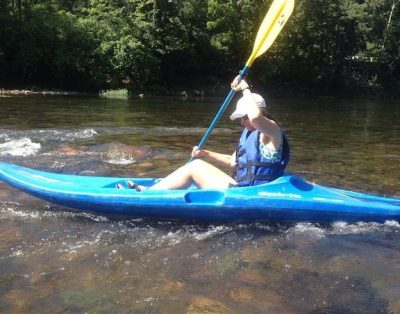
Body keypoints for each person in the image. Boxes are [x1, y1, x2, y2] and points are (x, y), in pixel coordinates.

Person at [119, 77, 290, 191]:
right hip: (243, 189)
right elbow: (233, 162)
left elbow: (255, 117)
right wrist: (206, 153)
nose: (242, 122)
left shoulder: (272, 130)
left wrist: (245, 88)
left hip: (255, 193)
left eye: (244, 117)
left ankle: (148, 196)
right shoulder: (249, 133)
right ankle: (154, 191)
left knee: (195, 167)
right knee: (199, 162)